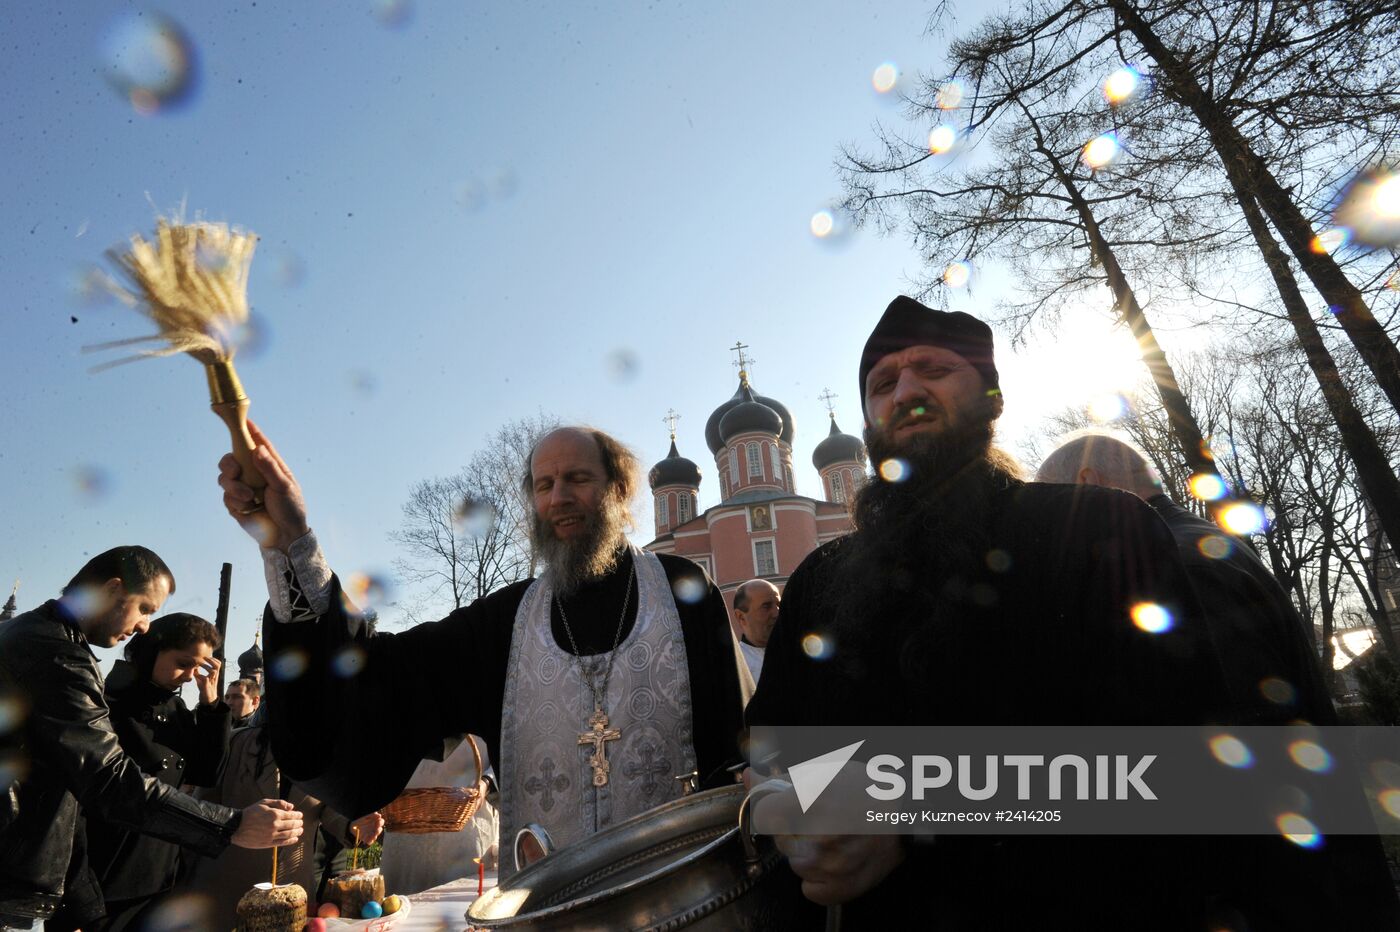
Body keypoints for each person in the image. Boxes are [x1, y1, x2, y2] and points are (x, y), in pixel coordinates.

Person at [746, 296, 1246, 929]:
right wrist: (791, 812)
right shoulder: (821, 580)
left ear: (992, 400)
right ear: (870, 420)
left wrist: (911, 817)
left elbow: (1177, 759)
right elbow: (773, 747)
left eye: (933, 369)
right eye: (882, 383)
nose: (904, 391)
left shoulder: (1097, 529)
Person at [217, 424, 748, 880]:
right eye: (545, 484)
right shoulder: (507, 621)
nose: (558, 496)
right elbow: (383, 675)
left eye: (578, 479)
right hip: (547, 903)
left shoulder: (680, 590)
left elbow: (746, 745)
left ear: (618, 489)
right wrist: (292, 544)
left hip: (682, 891)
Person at [0, 547, 302, 931]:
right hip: (49, 875)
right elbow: (107, 779)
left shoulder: (40, 637)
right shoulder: (56, 655)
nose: (144, 624)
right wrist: (231, 826)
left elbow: (202, 769)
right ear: (113, 589)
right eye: (145, 608)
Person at [1035, 430, 1336, 723]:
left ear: (1088, 482)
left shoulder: (1170, 565)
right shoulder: (1196, 543)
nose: (1049, 526)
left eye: (1051, 503)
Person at [60, 614, 232, 932]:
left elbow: (207, 772)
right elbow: (71, 814)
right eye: (183, 662)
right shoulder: (103, 705)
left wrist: (211, 703)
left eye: (199, 666)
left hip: (159, 882)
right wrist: (80, 902)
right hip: (102, 884)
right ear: (152, 650)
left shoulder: (176, 711)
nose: (189, 675)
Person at [185, 720, 383, 929]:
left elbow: (331, 809)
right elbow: (201, 808)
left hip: (292, 893)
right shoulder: (235, 741)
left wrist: (354, 826)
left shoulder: (324, 754)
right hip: (230, 889)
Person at [732, 579, 780, 684]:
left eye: (779, 605)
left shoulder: (796, 653)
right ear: (741, 617)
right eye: (766, 606)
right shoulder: (734, 666)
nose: (777, 613)